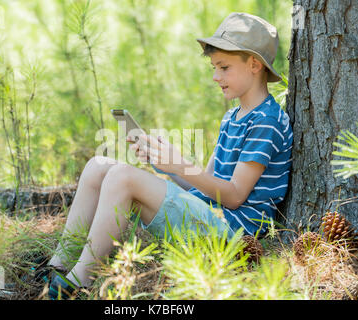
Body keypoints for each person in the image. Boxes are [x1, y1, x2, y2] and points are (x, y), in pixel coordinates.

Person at [44, 12, 293, 299]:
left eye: (224, 68)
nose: (215, 76)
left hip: (232, 237)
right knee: (98, 166)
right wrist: (165, 165)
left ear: (254, 64)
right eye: (214, 67)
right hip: (209, 215)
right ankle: (58, 267)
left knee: (123, 177)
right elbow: (209, 184)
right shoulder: (233, 117)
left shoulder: (266, 120)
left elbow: (235, 196)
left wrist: (182, 165)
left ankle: (78, 282)